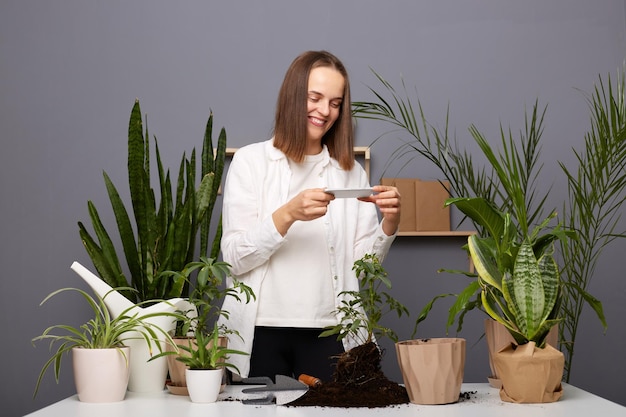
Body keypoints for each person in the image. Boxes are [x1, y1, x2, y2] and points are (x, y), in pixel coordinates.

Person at [218, 50, 401, 382]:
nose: (324, 111)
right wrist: (287, 214)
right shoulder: (250, 162)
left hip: (330, 330)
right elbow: (232, 259)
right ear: (293, 96)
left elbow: (363, 266)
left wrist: (389, 224)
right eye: (315, 98)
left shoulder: (350, 174)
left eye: (335, 102)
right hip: (260, 330)